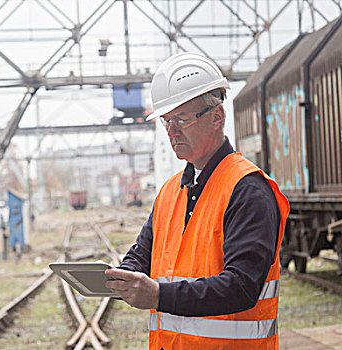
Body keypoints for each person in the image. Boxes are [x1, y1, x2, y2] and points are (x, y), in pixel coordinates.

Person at [105, 52, 290, 349]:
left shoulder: (247, 189)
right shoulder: (169, 192)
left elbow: (242, 287)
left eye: (182, 119)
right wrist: (120, 277)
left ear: (217, 117)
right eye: (166, 121)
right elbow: (142, 255)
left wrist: (157, 295)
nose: (172, 131)